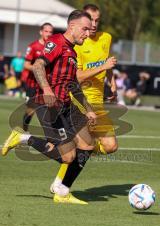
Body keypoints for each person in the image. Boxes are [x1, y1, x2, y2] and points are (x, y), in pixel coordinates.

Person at [2, 10, 99, 204]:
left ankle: (62, 191)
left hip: (67, 105)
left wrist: (88, 108)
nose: (88, 34)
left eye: (90, 30)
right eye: (85, 29)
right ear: (72, 26)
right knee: (68, 156)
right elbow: (38, 65)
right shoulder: (56, 42)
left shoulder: (72, 51)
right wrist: (47, 89)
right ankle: (23, 138)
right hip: (49, 107)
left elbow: (73, 84)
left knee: (88, 144)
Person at [50, 4, 118, 203]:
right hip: (80, 101)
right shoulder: (78, 43)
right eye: (90, 22)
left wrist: (111, 80)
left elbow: (107, 60)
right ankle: (61, 185)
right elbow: (76, 77)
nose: (94, 26)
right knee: (82, 148)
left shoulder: (106, 38)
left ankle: (61, 180)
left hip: (98, 103)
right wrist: (103, 67)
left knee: (111, 146)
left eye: (97, 21)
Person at [22, 22, 54, 131]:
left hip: (47, 85)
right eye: (46, 31)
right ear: (41, 32)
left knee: (49, 111)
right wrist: (38, 69)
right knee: (31, 110)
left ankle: (51, 137)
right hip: (32, 84)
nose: (49, 34)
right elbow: (26, 65)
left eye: (51, 32)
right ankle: (23, 129)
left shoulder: (53, 48)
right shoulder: (33, 46)